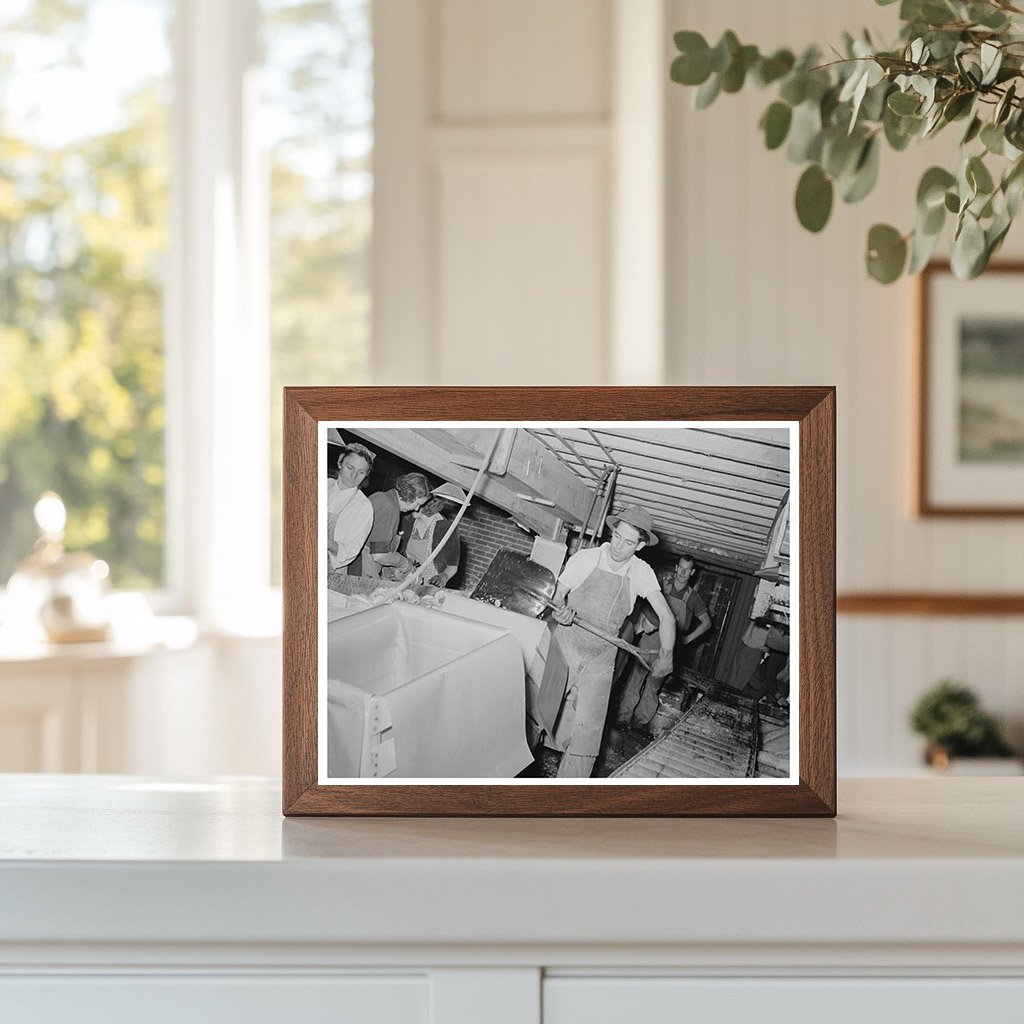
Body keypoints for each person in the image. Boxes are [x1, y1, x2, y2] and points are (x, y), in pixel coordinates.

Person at [549, 505, 675, 778]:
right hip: (565, 646)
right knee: (537, 715)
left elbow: (666, 616)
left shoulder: (641, 572)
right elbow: (558, 595)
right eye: (617, 536)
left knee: (587, 738)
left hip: (601, 659)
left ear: (640, 545)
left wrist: (667, 655)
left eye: (628, 542)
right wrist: (561, 611)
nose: (618, 546)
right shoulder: (586, 558)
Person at [354, 472, 431, 578]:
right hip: (359, 567)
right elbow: (379, 555)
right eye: (417, 504)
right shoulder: (390, 507)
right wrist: (404, 564)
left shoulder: (381, 496)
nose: (416, 508)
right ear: (409, 495)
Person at [401, 481, 466, 588]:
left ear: (428, 504)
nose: (412, 505)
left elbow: (453, 566)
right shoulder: (408, 521)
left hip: (430, 583)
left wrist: (444, 577)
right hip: (406, 577)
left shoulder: (446, 528)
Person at [326, 443, 375, 572]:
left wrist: (324, 542)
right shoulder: (321, 484)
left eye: (361, 472)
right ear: (340, 462)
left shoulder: (364, 507)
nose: (353, 476)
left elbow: (352, 549)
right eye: (350, 467)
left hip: (331, 568)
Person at [661, 554, 712, 678]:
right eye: (681, 568)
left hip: (673, 643)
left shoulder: (693, 598)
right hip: (651, 637)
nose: (683, 572)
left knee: (655, 681)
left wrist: (688, 639)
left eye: (687, 569)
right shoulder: (661, 586)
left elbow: (707, 622)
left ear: (692, 572)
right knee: (636, 676)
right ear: (676, 567)